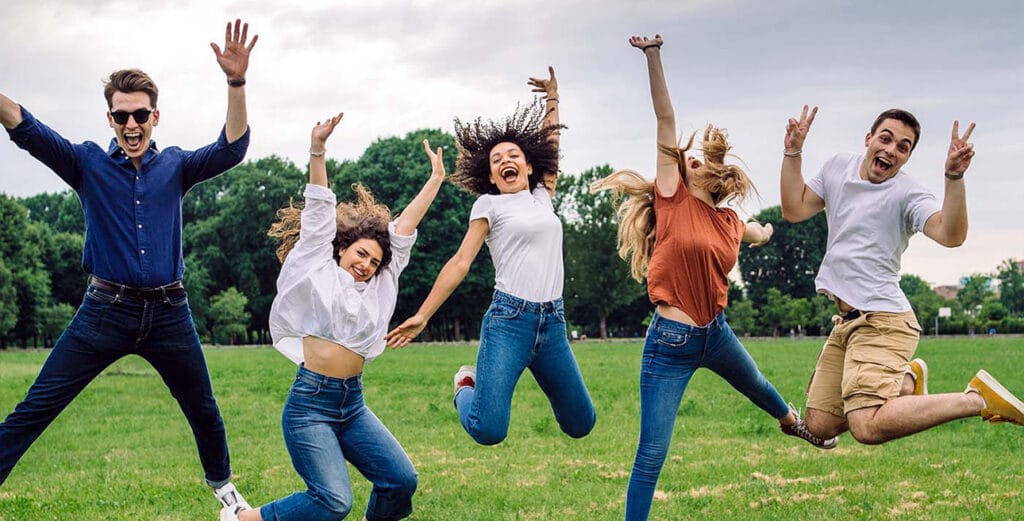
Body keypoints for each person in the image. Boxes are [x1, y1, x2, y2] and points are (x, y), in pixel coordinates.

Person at [0, 19, 257, 512]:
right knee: (35, 409)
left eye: (140, 115)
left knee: (205, 412)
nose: (132, 125)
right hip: (104, 312)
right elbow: (28, 129)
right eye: (122, 118)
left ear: (155, 116)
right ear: (110, 120)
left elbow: (233, 148)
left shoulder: (176, 166)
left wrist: (236, 82)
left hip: (168, 314)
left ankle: (226, 496)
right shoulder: (87, 163)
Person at [591, 35, 837, 521]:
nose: (694, 160)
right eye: (687, 160)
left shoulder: (729, 221)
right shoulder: (671, 198)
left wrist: (765, 231)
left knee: (761, 387)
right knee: (651, 454)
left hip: (716, 334)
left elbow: (757, 232)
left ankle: (794, 424)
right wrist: (654, 56)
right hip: (670, 343)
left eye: (700, 159)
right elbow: (665, 120)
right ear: (680, 172)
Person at [229, 113, 443, 521]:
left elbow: (404, 231)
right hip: (310, 405)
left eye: (375, 261)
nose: (366, 264)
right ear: (342, 248)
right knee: (333, 501)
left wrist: (435, 180)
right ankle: (243, 518)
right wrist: (318, 149)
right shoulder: (318, 263)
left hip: (353, 404)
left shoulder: (380, 286)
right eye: (361, 253)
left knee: (401, 481)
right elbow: (318, 206)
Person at [780, 103, 1024, 445]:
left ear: (907, 157)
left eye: (903, 147)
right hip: (848, 321)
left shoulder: (907, 193)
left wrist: (953, 177)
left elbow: (951, 235)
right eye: (886, 139)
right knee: (820, 426)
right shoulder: (838, 168)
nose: (891, 150)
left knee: (866, 426)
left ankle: (977, 399)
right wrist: (793, 151)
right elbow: (794, 208)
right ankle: (907, 381)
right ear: (868, 138)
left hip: (884, 321)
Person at [384, 67, 596, 446]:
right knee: (488, 430)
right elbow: (461, 262)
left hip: (552, 323)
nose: (505, 161)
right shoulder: (489, 205)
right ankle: (466, 383)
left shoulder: (542, 196)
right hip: (509, 321)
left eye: (514, 156)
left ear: (529, 167)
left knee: (581, 423)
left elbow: (552, 145)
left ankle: (491, 383)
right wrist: (422, 315)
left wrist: (552, 99)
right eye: (497, 160)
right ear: (493, 176)